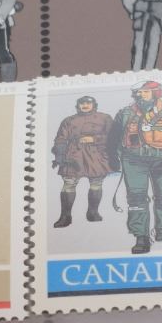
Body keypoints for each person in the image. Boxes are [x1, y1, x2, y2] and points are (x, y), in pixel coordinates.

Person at [106, 80, 162, 255]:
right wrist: (113, 157)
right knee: (136, 197)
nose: (140, 95)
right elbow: (113, 137)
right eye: (138, 92)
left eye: (144, 91)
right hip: (133, 161)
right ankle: (141, 236)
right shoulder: (125, 113)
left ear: (156, 92)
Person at [50, 95, 114, 227]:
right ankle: (65, 217)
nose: (85, 105)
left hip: (96, 156)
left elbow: (113, 137)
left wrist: (94, 139)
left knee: (96, 183)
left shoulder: (105, 118)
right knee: (69, 184)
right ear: (78, 105)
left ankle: (93, 213)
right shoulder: (69, 120)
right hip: (73, 155)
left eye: (88, 103)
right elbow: (60, 139)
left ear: (94, 105)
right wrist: (59, 156)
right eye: (82, 103)